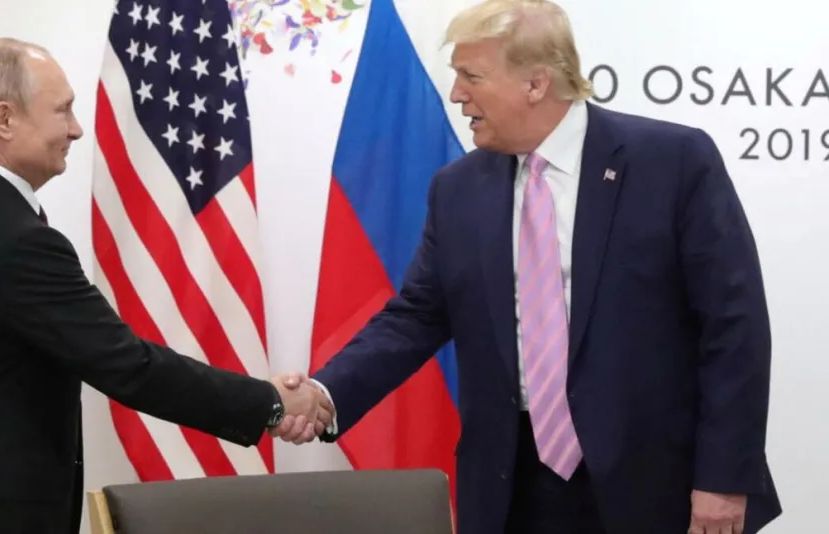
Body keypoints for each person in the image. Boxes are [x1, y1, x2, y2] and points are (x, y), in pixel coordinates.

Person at [273, 1, 782, 533]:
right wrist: (325, 394)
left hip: (654, 485)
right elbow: (417, 316)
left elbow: (734, 329)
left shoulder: (673, 162)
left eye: (472, 76)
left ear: (537, 84)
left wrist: (724, 478)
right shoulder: (457, 189)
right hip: (511, 488)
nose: (456, 95)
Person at [0, 37, 330, 534]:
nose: (77, 129)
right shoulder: (18, 241)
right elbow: (129, 365)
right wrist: (270, 403)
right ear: (4, 120)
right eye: (62, 111)